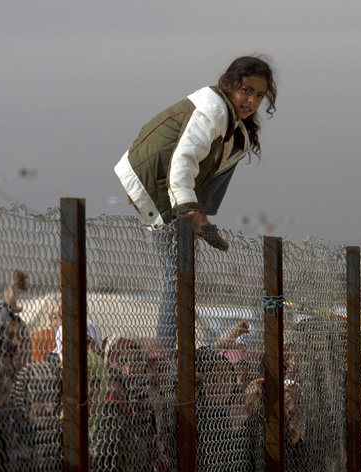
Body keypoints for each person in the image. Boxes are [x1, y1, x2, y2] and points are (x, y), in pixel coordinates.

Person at [114, 54, 277, 349]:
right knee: (175, 275)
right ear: (228, 85)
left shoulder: (232, 126)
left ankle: (200, 215)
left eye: (259, 96)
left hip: (166, 184)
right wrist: (188, 208)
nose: (251, 101)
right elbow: (183, 161)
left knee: (233, 150)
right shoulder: (213, 110)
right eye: (246, 90)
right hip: (154, 182)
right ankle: (164, 350)